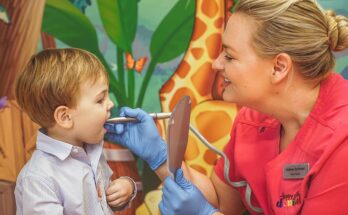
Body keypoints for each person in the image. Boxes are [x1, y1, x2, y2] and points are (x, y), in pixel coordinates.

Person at [105, 0, 348, 214]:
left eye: (229, 56)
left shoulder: (342, 144)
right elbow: (222, 201)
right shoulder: (253, 120)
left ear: (279, 67)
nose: (216, 63)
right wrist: (160, 156)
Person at [14, 48, 137, 215]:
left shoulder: (91, 152)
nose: (111, 104)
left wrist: (125, 188)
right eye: (100, 100)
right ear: (65, 117)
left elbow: (103, 203)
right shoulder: (38, 179)